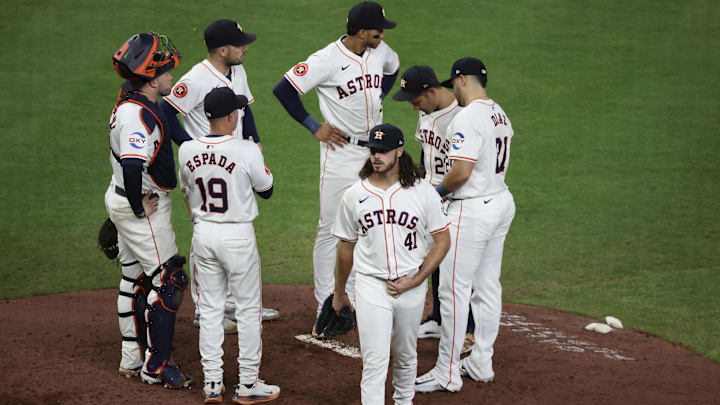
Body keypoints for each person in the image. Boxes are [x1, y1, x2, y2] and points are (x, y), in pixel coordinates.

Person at [273, 1, 400, 332]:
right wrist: (314, 126)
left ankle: (355, 297)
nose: (383, 33)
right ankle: (326, 302)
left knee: (370, 223)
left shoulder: (380, 50)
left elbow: (392, 69)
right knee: (331, 229)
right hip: (340, 153)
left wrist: (379, 96)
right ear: (361, 32)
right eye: (378, 29)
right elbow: (283, 89)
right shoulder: (326, 60)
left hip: (376, 151)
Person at [160, 19, 279, 332]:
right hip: (205, 168)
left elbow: (246, 108)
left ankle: (235, 303)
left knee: (232, 229)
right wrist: (192, 149)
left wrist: (254, 140)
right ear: (222, 49)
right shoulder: (196, 79)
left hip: (234, 161)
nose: (246, 48)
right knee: (206, 230)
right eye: (240, 44)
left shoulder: (237, 70)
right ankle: (204, 308)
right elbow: (165, 111)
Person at [414, 57, 516, 393]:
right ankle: (481, 361)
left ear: (460, 81)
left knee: (453, 290)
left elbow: (460, 173)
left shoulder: (467, 116)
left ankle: (446, 371)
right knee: (486, 287)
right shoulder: (499, 112)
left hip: (472, 210)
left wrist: (435, 194)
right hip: (500, 201)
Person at [332, 123, 451, 405]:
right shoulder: (354, 195)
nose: (377, 156)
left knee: (407, 355)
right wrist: (339, 291)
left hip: (411, 285)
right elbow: (345, 245)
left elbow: (442, 240)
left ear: (399, 151)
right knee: (375, 361)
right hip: (372, 286)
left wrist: (418, 279)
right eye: (374, 150)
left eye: (384, 151)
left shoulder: (423, 192)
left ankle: (403, 402)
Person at [177, 87, 280, 404]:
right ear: (233, 116)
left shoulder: (186, 149)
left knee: (209, 311)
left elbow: (187, 190)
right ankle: (248, 384)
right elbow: (267, 189)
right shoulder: (246, 150)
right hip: (237, 236)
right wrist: (257, 156)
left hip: (203, 233)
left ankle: (212, 384)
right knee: (248, 310)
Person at [106, 32, 191, 388]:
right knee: (169, 279)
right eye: (168, 71)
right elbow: (131, 163)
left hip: (121, 198)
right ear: (152, 78)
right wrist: (136, 207)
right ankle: (156, 366)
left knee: (132, 277)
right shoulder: (136, 116)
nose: (172, 76)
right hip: (141, 204)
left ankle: (131, 356)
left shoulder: (133, 100)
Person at [391, 65, 476, 354]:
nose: (413, 106)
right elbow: (427, 154)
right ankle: (439, 319)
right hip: (430, 196)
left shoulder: (462, 117)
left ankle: (468, 331)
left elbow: (465, 167)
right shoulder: (425, 112)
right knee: (435, 258)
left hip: (455, 198)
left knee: (457, 266)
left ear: (432, 92)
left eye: (416, 100)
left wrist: (440, 193)